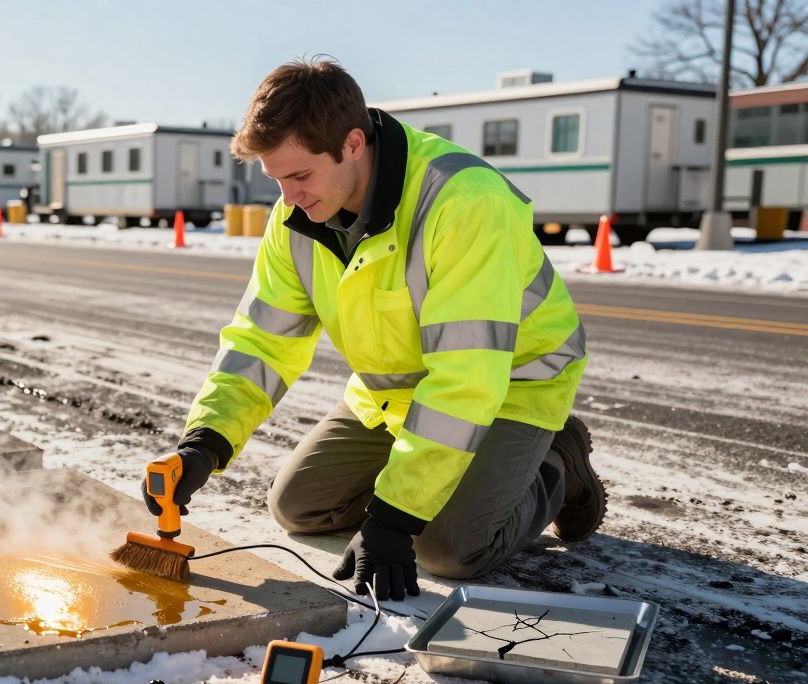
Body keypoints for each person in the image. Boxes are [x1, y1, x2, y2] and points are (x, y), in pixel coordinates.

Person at [141, 58, 605, 602]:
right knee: (298, 508)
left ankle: (560, 461)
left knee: (446, 549)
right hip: (396, 397)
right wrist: (206, 442)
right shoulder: (297, 216)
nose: (287, 198)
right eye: (276, 180)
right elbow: (262, 340)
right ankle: (437, 475)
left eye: (300, 176)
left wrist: (392, 521)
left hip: (510, 386)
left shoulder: (464, 203)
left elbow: (466, 377)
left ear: (354, 144)